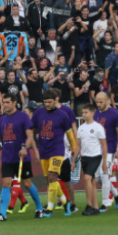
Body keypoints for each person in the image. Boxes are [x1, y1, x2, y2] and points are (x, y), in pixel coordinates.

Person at [0, 94, 41, 221]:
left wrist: (25, 147)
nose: (5, 105)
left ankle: (39, 208)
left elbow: (30, 136)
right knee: (6, 183)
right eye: (3, 102)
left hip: (21, 157)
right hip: (7, 157)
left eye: (7, 102)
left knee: (27, 183)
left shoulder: (23, 117)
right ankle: (2, 214)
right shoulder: (0, 120)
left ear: (14, 103)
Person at [31, 89, 76, 217]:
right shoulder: (38, 113)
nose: (47, 104)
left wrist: (74, 148)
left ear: (55, 101)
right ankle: (65, 201)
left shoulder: (62, 115)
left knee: (52, 177)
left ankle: (49, 208)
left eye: (50, 102)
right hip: (44, 150)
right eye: (45, 102)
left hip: (57, 151)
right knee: (50, 180)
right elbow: (31, 129)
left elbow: (69, 133)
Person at [74, 105, 107, 216]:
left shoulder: (98, 127)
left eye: (86, 112)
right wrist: (74, 160)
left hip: (95, 156)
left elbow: (104, 145)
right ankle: (96, 208)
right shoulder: (81, 128)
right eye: (83, 112)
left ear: (93, 113)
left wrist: (104, 162)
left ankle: (88, 205)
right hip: (85, 157)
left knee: (87, 178)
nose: (84, 114)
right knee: (92, 181)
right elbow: (78, 145)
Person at [93, 92, 118, 209]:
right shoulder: (95, 113)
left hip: (110, 148)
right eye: (97, 102)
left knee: (105, 174)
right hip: (96, 149)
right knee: (97, 178)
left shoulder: (115, 114)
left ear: (108, 101)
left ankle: (105, 203)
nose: (98, 104)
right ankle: (116, 194)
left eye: (101, 102)